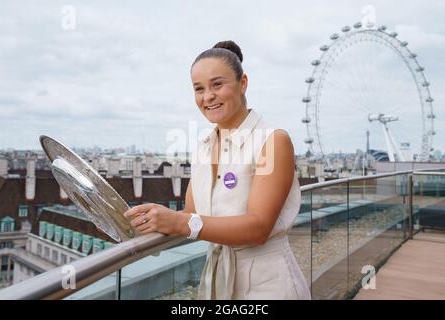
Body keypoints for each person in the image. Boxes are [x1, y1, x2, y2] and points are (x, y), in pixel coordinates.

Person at [124, 40, 311, 300]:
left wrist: (179, 222)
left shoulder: (273, 141)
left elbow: (258, 228)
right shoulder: (203, 148)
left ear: (243, 83)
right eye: (198, 89)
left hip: (269, 284)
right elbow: (192, 214)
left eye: (217, 84)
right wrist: (153, 218)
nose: (207, 97)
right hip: (218, 279)